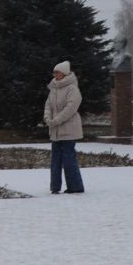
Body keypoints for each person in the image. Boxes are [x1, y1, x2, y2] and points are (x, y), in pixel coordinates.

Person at [43, 61, 85, 194]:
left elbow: (71, 108)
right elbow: (48, 105)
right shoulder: (53, 88)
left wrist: (56, 120)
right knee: (55, 160)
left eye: (57, 72)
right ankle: (54, 187)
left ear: (64, 73)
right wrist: (48, 118)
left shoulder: (72, 88)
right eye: (54, 72)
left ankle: (75, 187)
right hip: (55, 131)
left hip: (69, 130)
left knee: (69, 160)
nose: (55, 74)